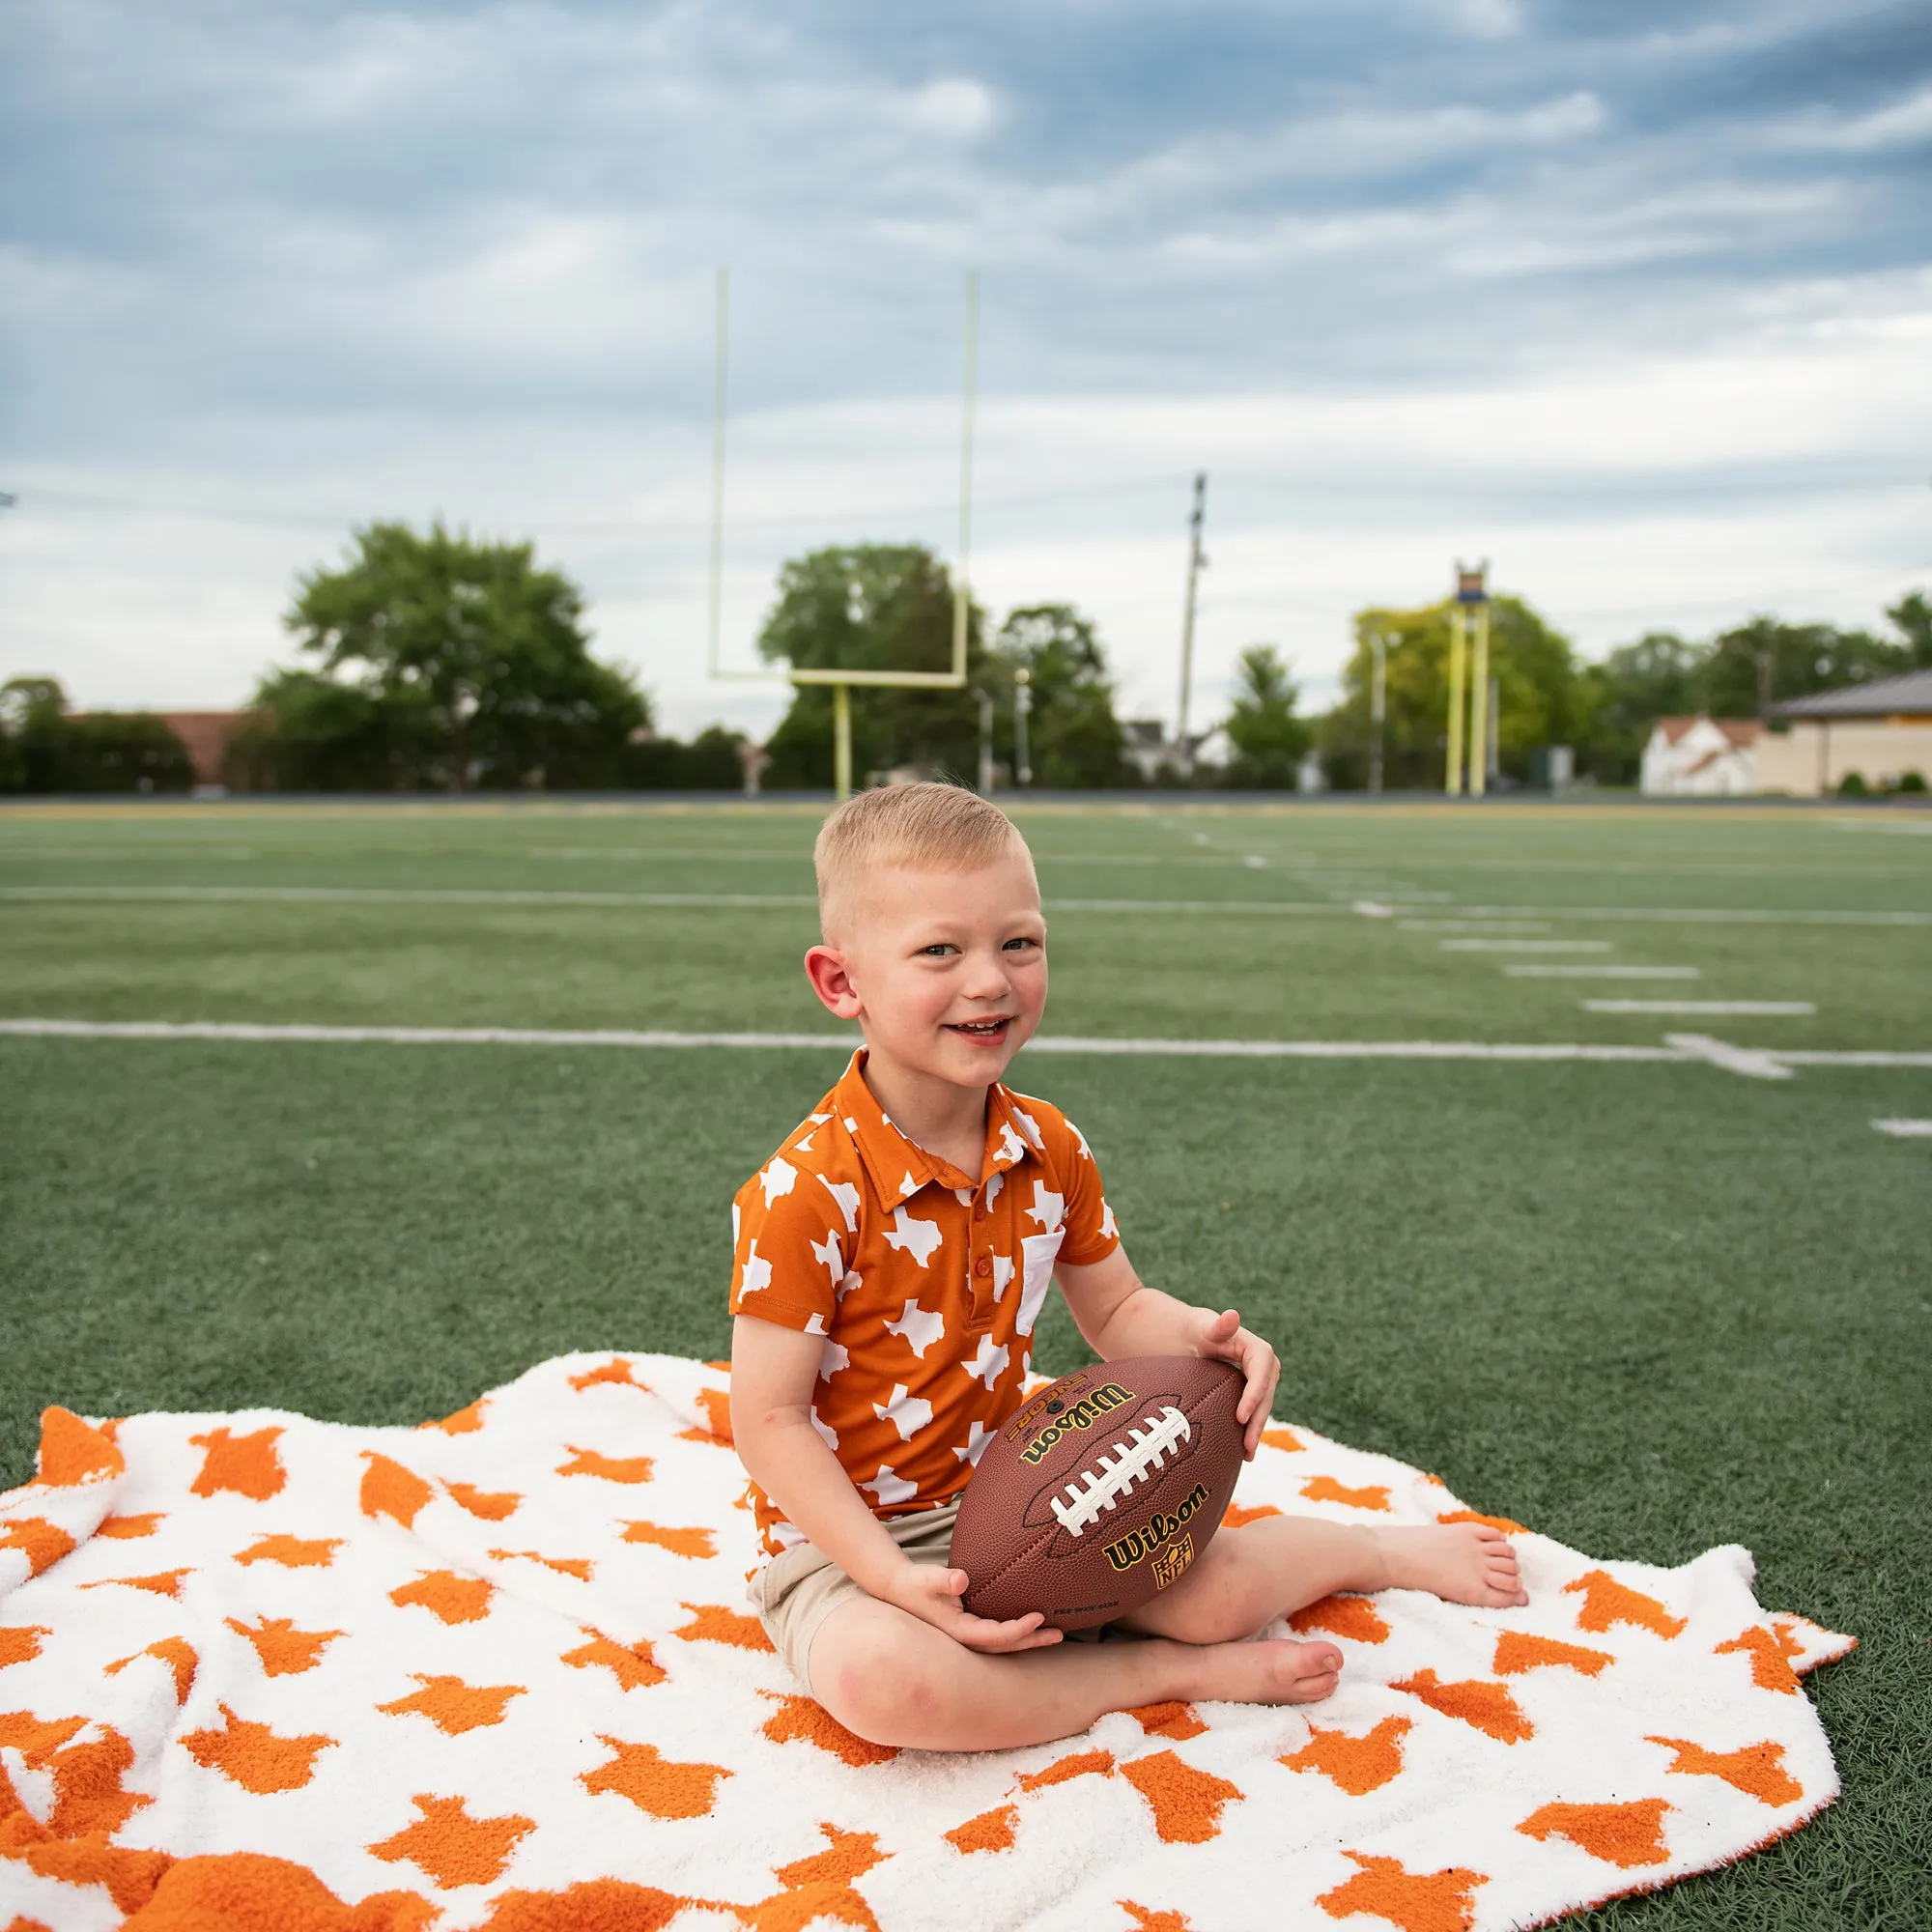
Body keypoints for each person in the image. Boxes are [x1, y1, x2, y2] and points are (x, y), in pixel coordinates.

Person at [728, 782, 1525, 1752]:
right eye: (940, 949)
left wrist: (1197, 1337)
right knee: (887, 1683)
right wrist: (891, 1577)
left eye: (1018, 942)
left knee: (1218, 1589)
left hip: (1023, 1499)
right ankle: (1158, 1673)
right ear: (839, 981)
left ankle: (1371, 1548)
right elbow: (767, 1418)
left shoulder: (1045, 1144)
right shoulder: (803, 1190)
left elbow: (1117, 1308)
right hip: (850, 1544)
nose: (989, 980)